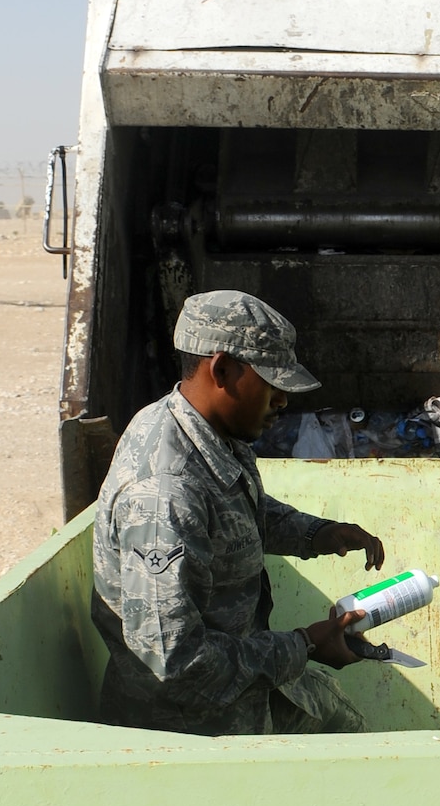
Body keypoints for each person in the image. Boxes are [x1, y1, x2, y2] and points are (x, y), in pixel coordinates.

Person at [92, 290, 386, 735]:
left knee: (349, 731)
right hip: (191, 727)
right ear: (222, 370)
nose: (284, 401)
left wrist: (320, 534)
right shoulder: (164, 494)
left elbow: (236, 515)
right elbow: (174, 661)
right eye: (272, 384)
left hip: (242, 684)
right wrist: (304, 646)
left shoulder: (207, 428)